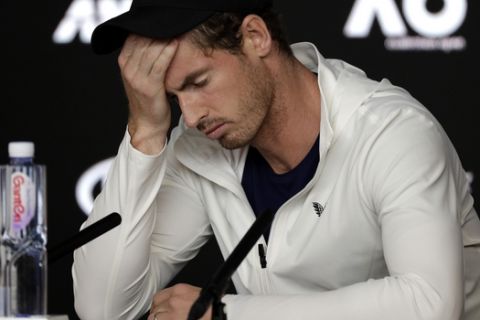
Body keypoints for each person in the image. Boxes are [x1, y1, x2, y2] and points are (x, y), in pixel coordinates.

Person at [72, 0, 480, 319]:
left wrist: (228, 313)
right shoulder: (199, 146)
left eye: (198, 83)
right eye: (173, 98)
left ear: (255, 36)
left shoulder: (392, 131)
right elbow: (105, 308)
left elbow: (430, 304)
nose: (191, 116)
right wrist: (145, 131)